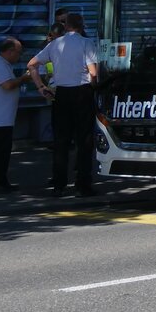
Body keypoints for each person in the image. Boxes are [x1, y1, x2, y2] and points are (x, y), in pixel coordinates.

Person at [28, 12, 98, 197]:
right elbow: (93, 73)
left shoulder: (54, 44)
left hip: (61, 94)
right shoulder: (86, 43)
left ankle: (59, 184)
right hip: (82, 93)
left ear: (66, 26)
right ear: (81, 26)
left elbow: (32, 65)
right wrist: (94, 87)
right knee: (84, 140)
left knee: (61, 141)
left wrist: (41, 87)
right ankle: (83, 184)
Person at [0, 37, 31, 192]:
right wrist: (23, 78)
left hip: (3, 117)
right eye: (18, 53)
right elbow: (7, 85)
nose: (19, 56)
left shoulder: (4, 65)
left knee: (0, 151)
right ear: (9, 51)